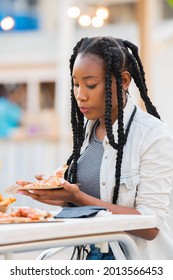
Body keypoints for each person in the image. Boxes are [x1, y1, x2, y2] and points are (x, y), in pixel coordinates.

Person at [16, 36, 173, 260]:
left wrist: (79, 199)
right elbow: (94, 201)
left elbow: (150, 226)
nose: (80, 94)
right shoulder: (88, 129)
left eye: (90, 85)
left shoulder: (152, 136)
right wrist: (61, 197)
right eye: (76, 84)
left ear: (124, 80)